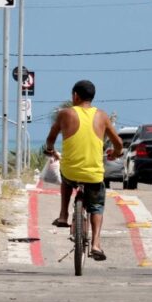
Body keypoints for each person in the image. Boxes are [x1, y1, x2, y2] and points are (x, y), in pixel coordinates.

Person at [43, 80, 121, 261]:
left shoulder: (65, 114)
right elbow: (117, 142)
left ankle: (63, 215)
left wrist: (50, 149)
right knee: (97, 206)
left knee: (66, 177)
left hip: (71, 171)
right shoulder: (101, 116)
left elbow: (51, 138)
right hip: (93, 174)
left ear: (75, 96)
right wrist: (116, 154)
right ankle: (95, 244)